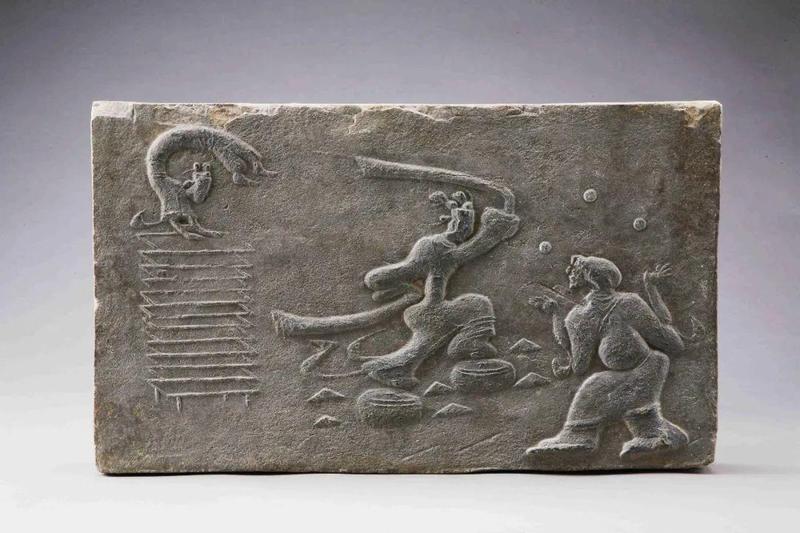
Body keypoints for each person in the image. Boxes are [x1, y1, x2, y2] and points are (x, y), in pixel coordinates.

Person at [527, 255, 689, 458]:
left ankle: (579, 437)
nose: (568, 271)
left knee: (593, 386)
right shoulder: (628, 302)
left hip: (646, 370)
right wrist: (558, 317)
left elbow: (579, 366)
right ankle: (653, 433)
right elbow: (670, 340)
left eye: (573, 268)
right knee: (635, 410)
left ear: (589, 277)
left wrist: (558, 317)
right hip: (654, 365)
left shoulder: (580, 317)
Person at [357, 190, 519, 388]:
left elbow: (378, 278)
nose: (464, 232)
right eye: (464, 225)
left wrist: (403, 288)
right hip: (433, 310)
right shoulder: (443, 251)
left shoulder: (428, 246)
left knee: (421, 347)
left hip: (426, 310)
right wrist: (496, 229)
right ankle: (468, 343)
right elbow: (476, 247)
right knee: (478, 305)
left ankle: (392, 369)